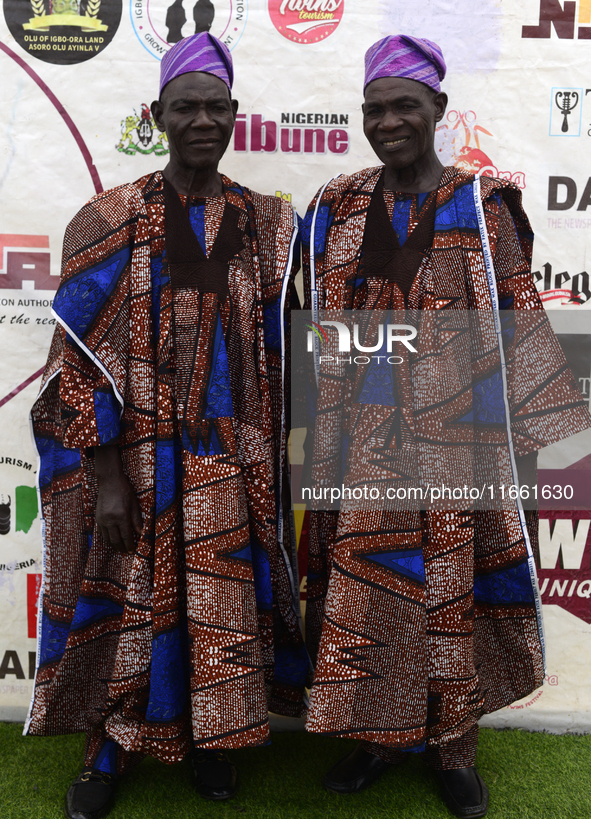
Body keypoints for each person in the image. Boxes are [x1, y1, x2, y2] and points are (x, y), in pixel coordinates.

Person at [300, 35, 591, 818]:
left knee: (445, 597)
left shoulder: (480, 206)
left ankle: (451, 746)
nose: (387, 121)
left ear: (437, 110)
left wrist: (528, 453)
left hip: (455, 445)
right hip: (358, 448)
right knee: (366, 596)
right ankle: (376, 736)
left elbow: (518, 322)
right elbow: (315, 326)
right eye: (373, 108)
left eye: (404, 106)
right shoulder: (337, 205)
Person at [27, 32, 307, 819]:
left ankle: (215, 740)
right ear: (157, 114)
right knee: (128, 603)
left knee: (223, 605)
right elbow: (75, 365)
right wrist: (108, 474)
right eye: (186, 106)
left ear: (235, 115)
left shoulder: (267, 225)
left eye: (217, 107)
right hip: (140, 464)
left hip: (232, 459)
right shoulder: (107, 219)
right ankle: (109, 747)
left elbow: (289, 353)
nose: (202, 120)